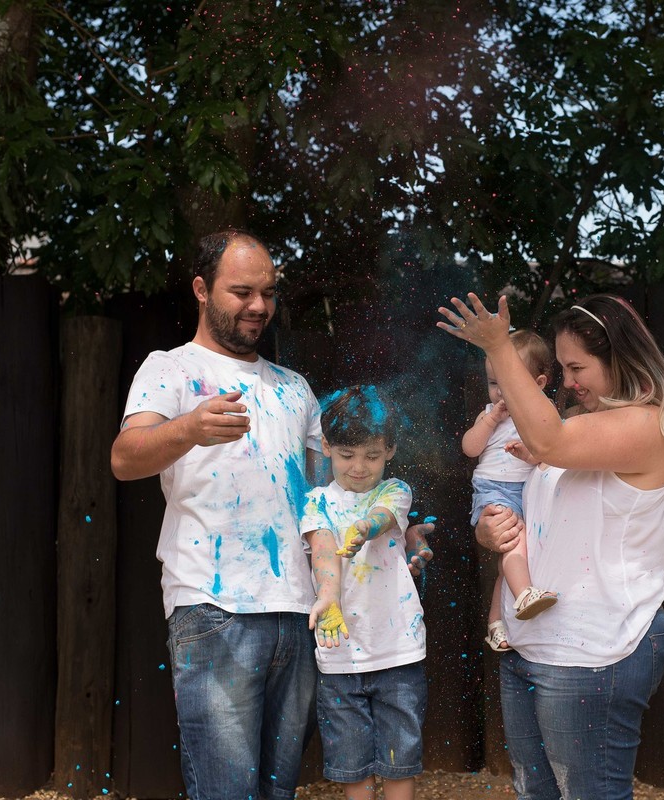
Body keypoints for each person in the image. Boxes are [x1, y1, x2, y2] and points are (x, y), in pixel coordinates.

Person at [109, 229, 432, 800]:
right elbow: (124, 458)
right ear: (201, 290)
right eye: (241, 292)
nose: (259, 306)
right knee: (226, 790)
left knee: (278, 791)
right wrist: (190, 427)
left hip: (302, 611)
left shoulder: (296, 389)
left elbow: (328, 498)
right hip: (214, 610)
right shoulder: (170, 368)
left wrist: (392, 533)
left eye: (268, 292)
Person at [438, 292, 664, 800]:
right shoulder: (575, 424)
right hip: (529, 641)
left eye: (577, 367)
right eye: (561, 368)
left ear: (620, 358)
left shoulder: (651, 424)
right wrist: (487, 532)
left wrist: (499, 347)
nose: (568, 382)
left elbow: (550, 442)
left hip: (594, 649)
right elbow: (531, 510)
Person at [300, 385, 427, 800]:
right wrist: (328, 597)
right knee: (352, 764)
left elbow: (383, 517)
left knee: (399, 758)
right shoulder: (317, 501)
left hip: (398, 650)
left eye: (372, 455)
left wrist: (363, 530)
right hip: (340, 652)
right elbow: (322, 549)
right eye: (347, 455)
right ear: (327, 446)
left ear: (389, 450)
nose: (359, 467)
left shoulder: (395, 490)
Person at [461, 329, 557, 652]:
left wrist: (528, 454)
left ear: (539, 384)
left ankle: (496, 623)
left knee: (512, 560)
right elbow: (470, 448)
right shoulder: (490, 415)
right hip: (494, 491)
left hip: (526, 491)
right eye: (493, 382)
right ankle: (525, 595)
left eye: (508, 380)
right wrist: (489, 423)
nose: (499, 391)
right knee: (514, 545)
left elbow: (546, 456)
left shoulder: (540, 416)